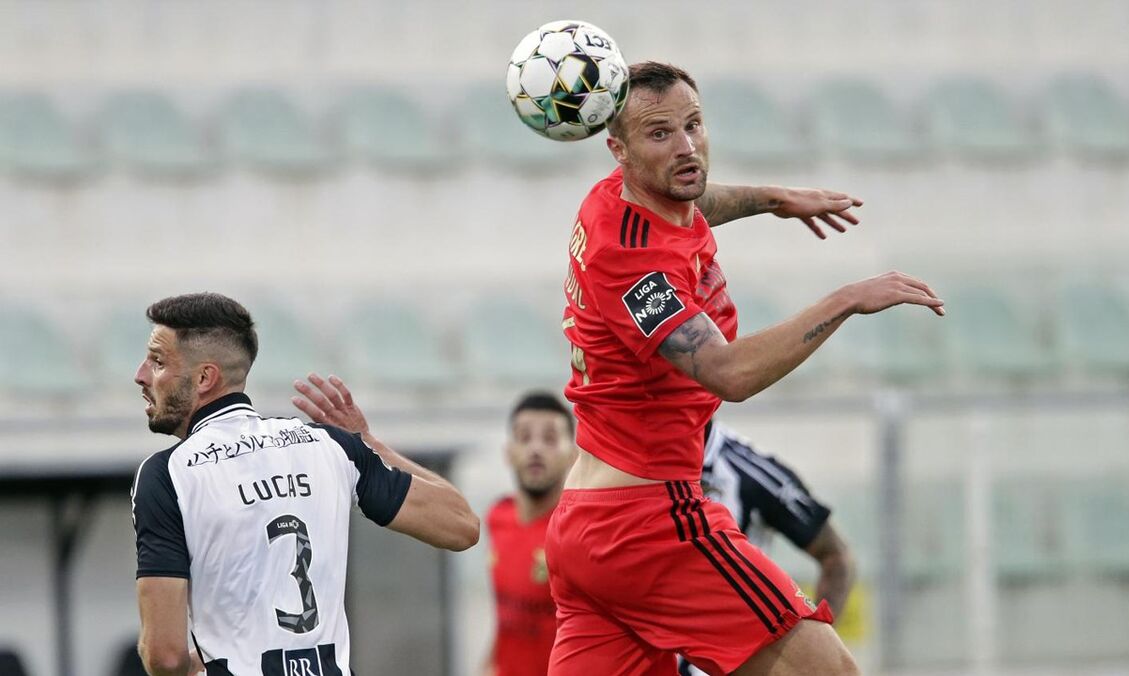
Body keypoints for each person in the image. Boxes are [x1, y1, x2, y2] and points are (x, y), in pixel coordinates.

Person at [551, 61, 944, 675]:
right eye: (660, 133)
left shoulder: (615, 198)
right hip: (650, 525)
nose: (686, 147)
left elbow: (693, 196)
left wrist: (774, 200)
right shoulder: (631, 262)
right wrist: (846, 299)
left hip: (585, 529)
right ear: (618, 150)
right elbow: (727, 373)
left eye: (694, 124)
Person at [130, 292, 479, 676]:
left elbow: (164, 656)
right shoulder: (329, 445)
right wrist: (370, 445)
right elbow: (462, 525)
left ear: (204, 378)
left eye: (158, 362)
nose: (141, 375)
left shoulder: (167, 475)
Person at [289, 377, 577, 676]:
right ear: (508, 452)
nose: (535, 449)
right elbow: (513, 619)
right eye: (524, 437)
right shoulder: (499, 516)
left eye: (550, 439)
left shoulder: (573, 531)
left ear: (573, 455)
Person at [679, 421, 856, 676]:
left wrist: (814, 647)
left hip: (726, 657)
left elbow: (836, 557)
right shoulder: (630, 463)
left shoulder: (747, 471)